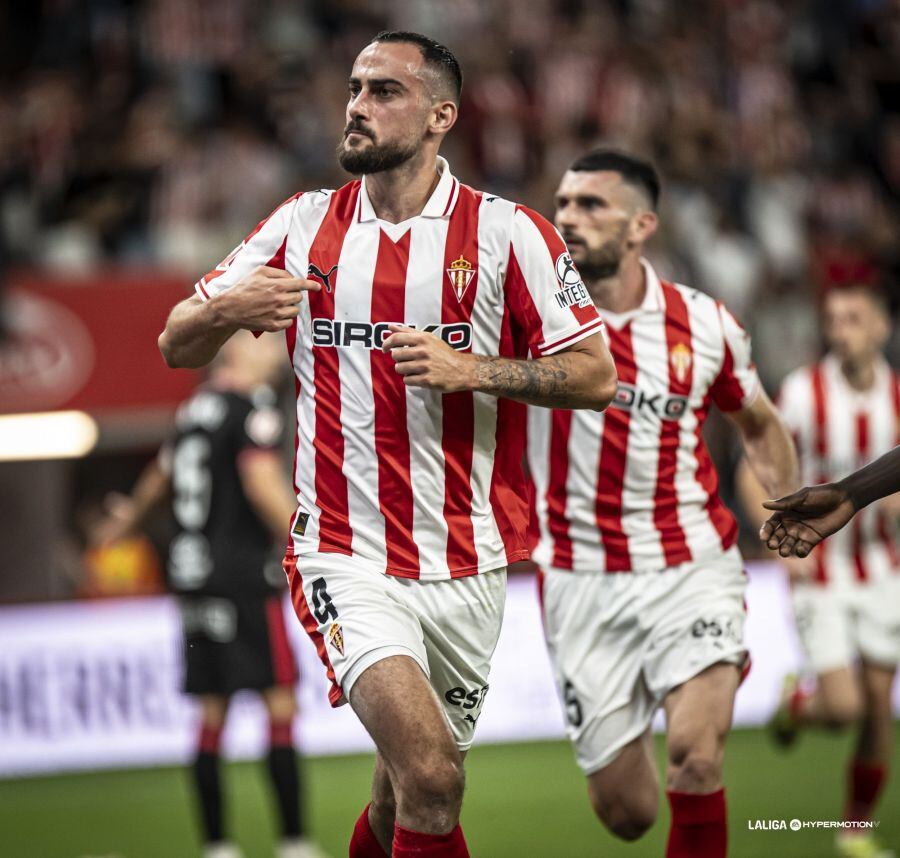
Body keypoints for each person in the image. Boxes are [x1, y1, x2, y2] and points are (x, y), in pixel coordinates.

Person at [157, 31, 617, 858]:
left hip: (469, 557)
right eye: (355, 88)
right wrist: (228, 307)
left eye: (384, 92)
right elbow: (174, 342)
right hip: (344, 550)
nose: (357, 106)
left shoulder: (511, 235)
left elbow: (594, 376)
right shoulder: (302, 224)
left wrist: (470, 368)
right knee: (433, 778)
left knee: (403, 792)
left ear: (441, 115)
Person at [526, 150, 798, 858]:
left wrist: (788, 506)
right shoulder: (524, 319)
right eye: (563, 204)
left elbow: (760, 423)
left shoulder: (703, 323)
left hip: (691, 563)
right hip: (579, 580)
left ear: (642, 224)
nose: (568, 220)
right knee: (628, 813)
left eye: (591, 205)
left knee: (697, 757)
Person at [95, 332, 325, 858]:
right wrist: (311, 541)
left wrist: (128, 519)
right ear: (237, 352)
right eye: (264, 342)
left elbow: (161, 474)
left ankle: (218, 845)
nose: (277, 351)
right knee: (280, 702)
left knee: (212, 714)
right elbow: (260, 481)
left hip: (193, 575)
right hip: (244, 576)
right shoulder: (253, 406)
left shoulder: (194, 409)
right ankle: (293, 842)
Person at [758, 285, 899, 858]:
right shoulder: (801, 392)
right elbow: (759, 466)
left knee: (876, 709)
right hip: (819, 568)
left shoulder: (896, 396)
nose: (841, 329)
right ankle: (797, 706)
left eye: (854, 317)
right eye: (832, 318)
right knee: (844, 709)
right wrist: (774, 545)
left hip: (885, 571)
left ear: (882, 326)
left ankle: (853, 831)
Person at [760, 445, 900, 557]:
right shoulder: (795, 409)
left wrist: (849, 495)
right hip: (815, 564)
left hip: (883, 559)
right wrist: (848, 494)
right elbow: (758, 461)